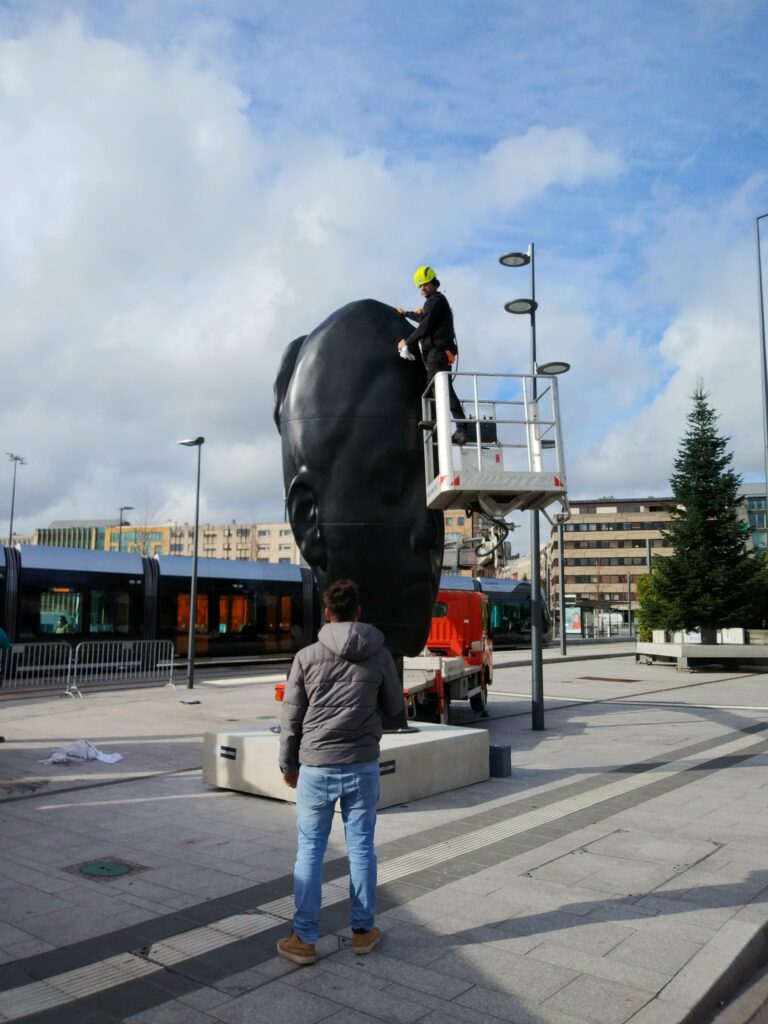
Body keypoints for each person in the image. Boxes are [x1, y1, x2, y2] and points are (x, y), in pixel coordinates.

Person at [274, 298, 444, 660]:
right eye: (393, 485)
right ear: (307, 521)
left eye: (433, 486)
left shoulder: (309, 667)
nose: (428, 531)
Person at [276, 579, 404, 966]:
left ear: (328, 614)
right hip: (362, 764)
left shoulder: (307, 656)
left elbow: (291, 718)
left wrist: (288, 764)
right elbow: (395, 706)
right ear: (358, 612)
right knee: (362, 847)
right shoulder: (379, 653)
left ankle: (304, 939)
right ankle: (363, 932)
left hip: (316, 765)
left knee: (311, 850)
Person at [395, 266, 468, 443]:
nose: (422, 289)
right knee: (438, 388)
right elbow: (426, 319)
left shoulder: (435, 301)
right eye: (419, 286)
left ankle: (461, 428)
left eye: (424, 285)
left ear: (432, 283)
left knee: (439, 388)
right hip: (439, 352)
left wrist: (408, 342)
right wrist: (407, 313)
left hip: (438, 352)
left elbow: (425, 326)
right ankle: (456, 426)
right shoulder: (435, 302)